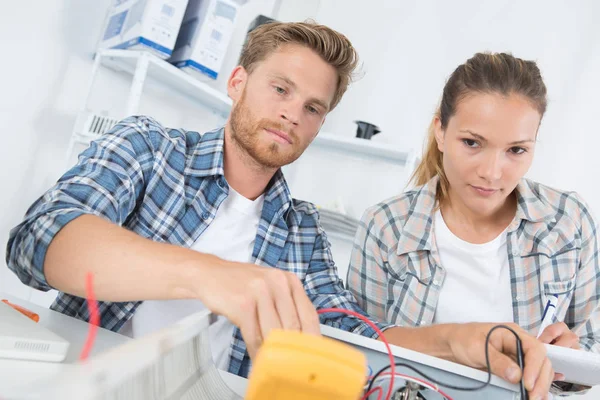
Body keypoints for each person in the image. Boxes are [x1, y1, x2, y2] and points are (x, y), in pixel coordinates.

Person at [7, 23, 552, 395]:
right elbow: (38, 241)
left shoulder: (302, 232)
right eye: (281, 89)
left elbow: (353, 338)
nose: (293, 113)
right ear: (238, 82)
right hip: (82, 383)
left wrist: (462, 339)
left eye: (313, 107)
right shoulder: (148, 150)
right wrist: (210, 276)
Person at [347, 52, 599, 396]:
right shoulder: (386, 226)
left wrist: (571, 361)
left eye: (516, 150)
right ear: (440, 131)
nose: (492, 172)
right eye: (472, 143)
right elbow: (361, 353)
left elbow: (591, 352)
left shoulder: (569, 222)